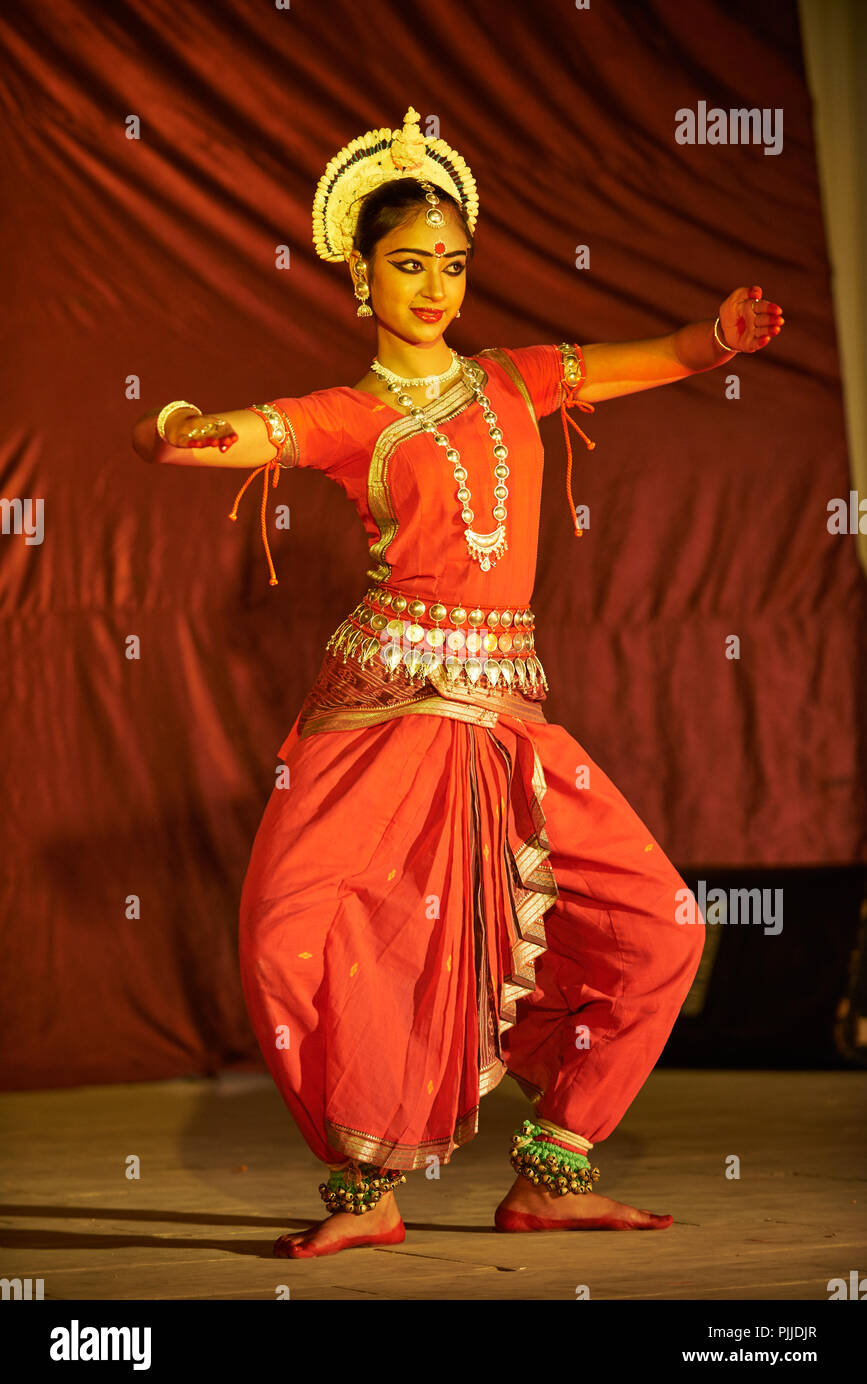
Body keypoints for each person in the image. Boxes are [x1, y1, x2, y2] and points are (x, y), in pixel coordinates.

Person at [132, 107, 785, 1259]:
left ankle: (554, 1168)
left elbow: (667, 357)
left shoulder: (519, 380)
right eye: (407, 263)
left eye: (451, 263)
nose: (434, 285)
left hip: (504, 723)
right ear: (360, 274)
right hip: (382, 715)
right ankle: (365, 1186)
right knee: (293, 936)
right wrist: (182, 430)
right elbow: (249, 434)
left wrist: (719, 337)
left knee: (659, 923)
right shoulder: (358, 416)